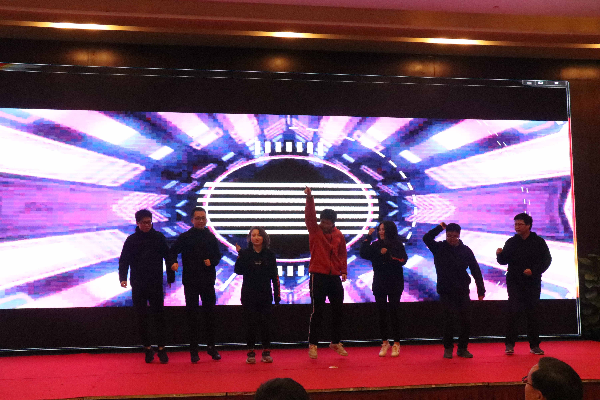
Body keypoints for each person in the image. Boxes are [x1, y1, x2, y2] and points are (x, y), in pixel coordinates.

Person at [118, 209, 174, 364]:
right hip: (138, 283)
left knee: (159, 316)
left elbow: (168, 257)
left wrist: (170, 276)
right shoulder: (131, 240)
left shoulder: (159, 237)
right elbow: (124, 260)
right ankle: (147, 348)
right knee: (141, 317)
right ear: (137, 223)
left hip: (156, 283)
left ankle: (161, 348)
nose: (147, 225)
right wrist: (122, 278)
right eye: (144, 222)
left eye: (149, 222)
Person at [423, 222, 485, 359]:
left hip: (462, 290)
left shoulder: (466, 250)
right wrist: (440, 227)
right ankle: (448, 348)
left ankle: (462, 348)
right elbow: (426, 238)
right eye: (449, 236)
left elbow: (475, 270)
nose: (451, 239)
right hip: (445, 290)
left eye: (454, 236)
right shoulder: (438, 247)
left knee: (466, 320)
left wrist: (481, 289)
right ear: (446, 235)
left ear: (459, 236)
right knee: (449, 320)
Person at [170, 206, 222, 363]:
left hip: (208, 281)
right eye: (198, 218)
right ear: (192, 220)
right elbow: (172, 251)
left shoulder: (211, 237)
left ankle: (211, 347)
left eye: (203, 218)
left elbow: (218, 256)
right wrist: (173, 262)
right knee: (192, 316)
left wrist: (212, 261)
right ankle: (194, 350)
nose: (201, 221)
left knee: (210, 315)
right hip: (191, 281)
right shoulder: (185, 237)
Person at [497, 212, 552, 355]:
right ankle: (509, 344)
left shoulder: (538, 242)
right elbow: (503, 261)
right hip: (514, 282)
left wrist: (534, 271)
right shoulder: (511, 242)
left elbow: (547, 260)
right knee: (513, 312)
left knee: (532, 313)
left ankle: (534, 345)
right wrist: (499, 254)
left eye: (520, 224)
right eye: (515, 224)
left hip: (532, 282)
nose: (517, 227)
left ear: (528, 225)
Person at [304, 186, 348, 359]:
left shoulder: (339, 235)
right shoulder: (315, 231)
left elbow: (342, 253)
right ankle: (313, 344)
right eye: (322, 221)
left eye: (327, 223)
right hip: (318, 275)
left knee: (338, 310)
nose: (324, 225)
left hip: (334, 276)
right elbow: (309, 216)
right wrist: (310, 198)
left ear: (333, 223)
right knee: (318, 311)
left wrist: (343, 270)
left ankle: (335, 342)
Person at [360, 221, 407, 357]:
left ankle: (396, 343)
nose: (381, 232)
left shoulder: (397, 244)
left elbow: (403, 260)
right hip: (379, 282)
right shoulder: (375, 245)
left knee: (394, 312)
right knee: (381, 313)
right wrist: (368, 237)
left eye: (383, 229)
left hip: (394, 282)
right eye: (380, 229)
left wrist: (388, 255)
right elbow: (363, 253)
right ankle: (385, 342)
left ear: (390, 230)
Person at [234, 227, 281, 364]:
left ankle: (266, 352)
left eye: (259, 235)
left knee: (266, 324)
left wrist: (277, 295)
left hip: (265, 294)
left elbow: (274, 276)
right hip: (248, 294)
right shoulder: (245, 253)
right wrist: (240, 256)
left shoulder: (270, 254)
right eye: (253, 235)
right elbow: (238, 271)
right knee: (250, 324)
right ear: (250, 238)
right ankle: (251, 352)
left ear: (264, 238)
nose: (256, 238)